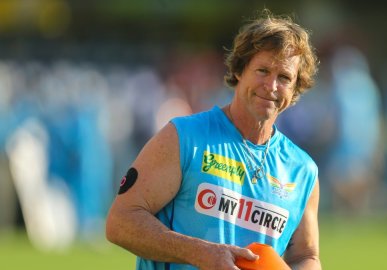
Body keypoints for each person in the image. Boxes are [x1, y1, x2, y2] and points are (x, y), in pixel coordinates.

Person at [106, 10, 321, 270]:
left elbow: (305, 256)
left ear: (296, 86)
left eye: (285, 77)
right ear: (240, 70)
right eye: (262, 70)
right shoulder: (185, 137)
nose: (272, 86)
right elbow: (121, 222)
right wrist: (200, 253)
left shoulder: (303, 171)